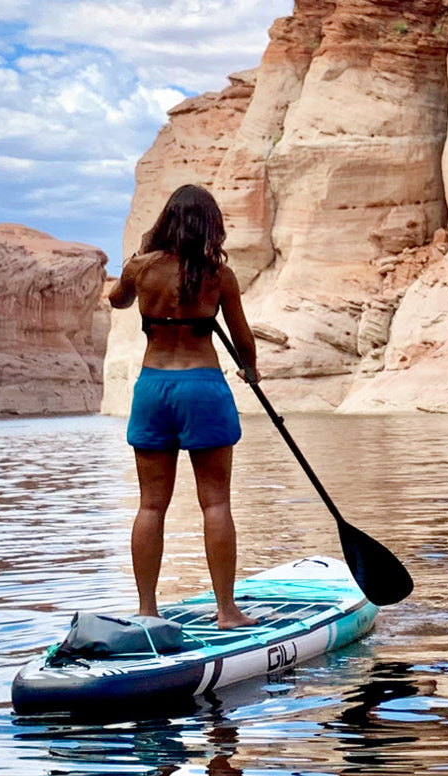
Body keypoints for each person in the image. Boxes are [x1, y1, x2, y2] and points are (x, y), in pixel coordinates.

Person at [107, 184, 260, 630]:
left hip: (154, 387)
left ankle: (146, 611)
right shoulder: (217, 275)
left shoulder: (141, 268)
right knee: (215, 503)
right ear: (210, 226)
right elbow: (242, 337)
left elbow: (118, 300)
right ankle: (227, 612)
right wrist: (250, 370)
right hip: (203, 386)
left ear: (165, 222)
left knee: (151, 505)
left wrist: (136, 262)